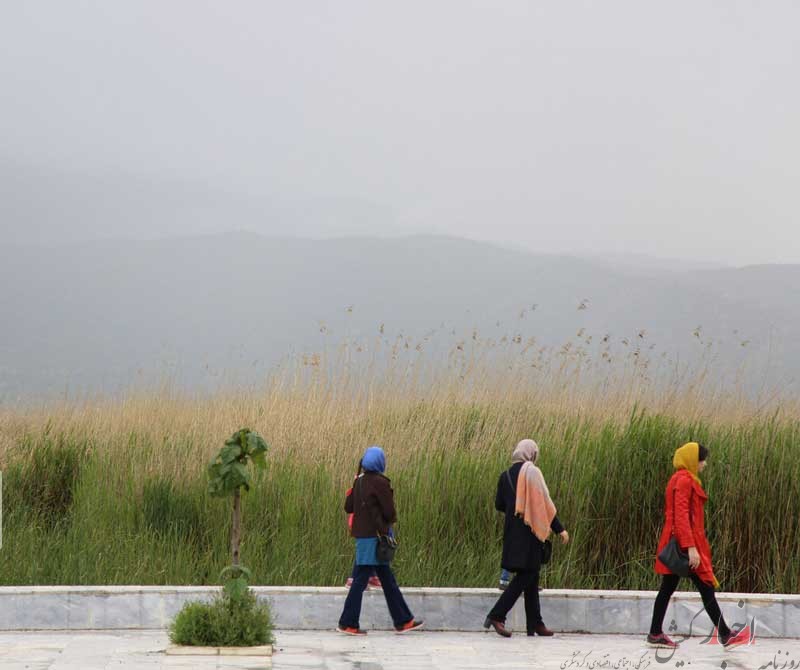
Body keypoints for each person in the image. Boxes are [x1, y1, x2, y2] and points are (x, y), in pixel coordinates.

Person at [647, 442, 750, 649]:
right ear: (693, 461)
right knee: (705, 585)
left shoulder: (681, 479)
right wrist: (691, 547)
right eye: (702, 460)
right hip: (684, 546)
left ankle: (655, 633)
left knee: (669, 587)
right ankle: (725, 634)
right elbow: (681, 516)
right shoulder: (684, 481)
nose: (704, 464)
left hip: (680, 543)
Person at [484, 439, 569, 638]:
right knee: (527, 575)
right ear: (532, 454)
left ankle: (536, 623)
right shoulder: (533, 473)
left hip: (512, 533)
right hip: (530, 533)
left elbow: (499, 505)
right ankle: (497, 615)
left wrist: (517, 507)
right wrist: (560, 529)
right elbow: (544, 504)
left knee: (532, 576)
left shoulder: (504, 476)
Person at [337, 445, 424, 636]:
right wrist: (389, 520)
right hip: (375, 537)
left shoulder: (359, 481)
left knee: (386, 579)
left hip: (363, 536)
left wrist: (353, 485)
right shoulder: (380, 482)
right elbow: (389, 512)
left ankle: (403, 620)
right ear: (380, 461)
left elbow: (348, 507)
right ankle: (347, 622)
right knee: (361, 580)